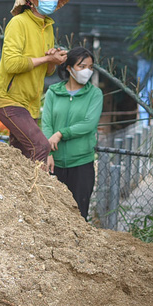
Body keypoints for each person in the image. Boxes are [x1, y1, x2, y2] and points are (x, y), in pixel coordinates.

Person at [0, 0, 74, 162]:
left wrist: (53, 60)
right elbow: (12, 63)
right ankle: (37, 189)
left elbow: (47, 71)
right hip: (9, 100)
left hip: (31, 104)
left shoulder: (48, 27)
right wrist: (46, 58)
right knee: (41, 146)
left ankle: (17, 190)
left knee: (21, 157)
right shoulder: (18, 23)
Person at [42, 46, 103, 220]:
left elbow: (88, 124)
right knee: (51, 216)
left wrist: (61, 133)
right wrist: (48, 152)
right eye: (82, 66)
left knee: (78, 216)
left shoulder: (94, 94)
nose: (87, 71)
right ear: (69, 68)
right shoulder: (54, 92)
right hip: (54, 164)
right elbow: (46, 124)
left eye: (90, 67)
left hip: (81, 164)